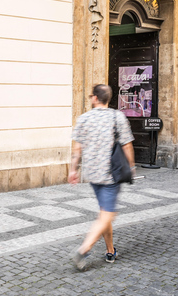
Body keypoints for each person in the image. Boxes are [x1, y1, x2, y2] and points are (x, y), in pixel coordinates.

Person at [68, 84, 135, 271]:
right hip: (110, 174)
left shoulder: (84, 118)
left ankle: (110, 250)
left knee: (104, 213)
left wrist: (73, 170)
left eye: (91, 96)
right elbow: (127, 145)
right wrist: (131, 166)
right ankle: (84, 249)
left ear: (95, 98)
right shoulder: (117, 117)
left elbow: (77, 148)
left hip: (92, 173)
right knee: (108, 214)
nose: (90, 99)